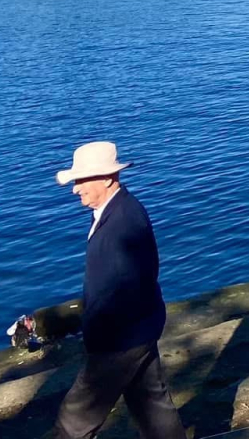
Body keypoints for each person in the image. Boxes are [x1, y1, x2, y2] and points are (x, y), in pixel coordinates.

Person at [52, 142, 185, 439]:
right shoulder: (116, 211)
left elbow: (121, 288)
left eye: (81, 180)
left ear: (107, 178)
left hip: (119, 339)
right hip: (139, 328)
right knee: (152, 407)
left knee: (75, 418)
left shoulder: (122, 221)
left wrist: (95, 332)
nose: (75, 189)